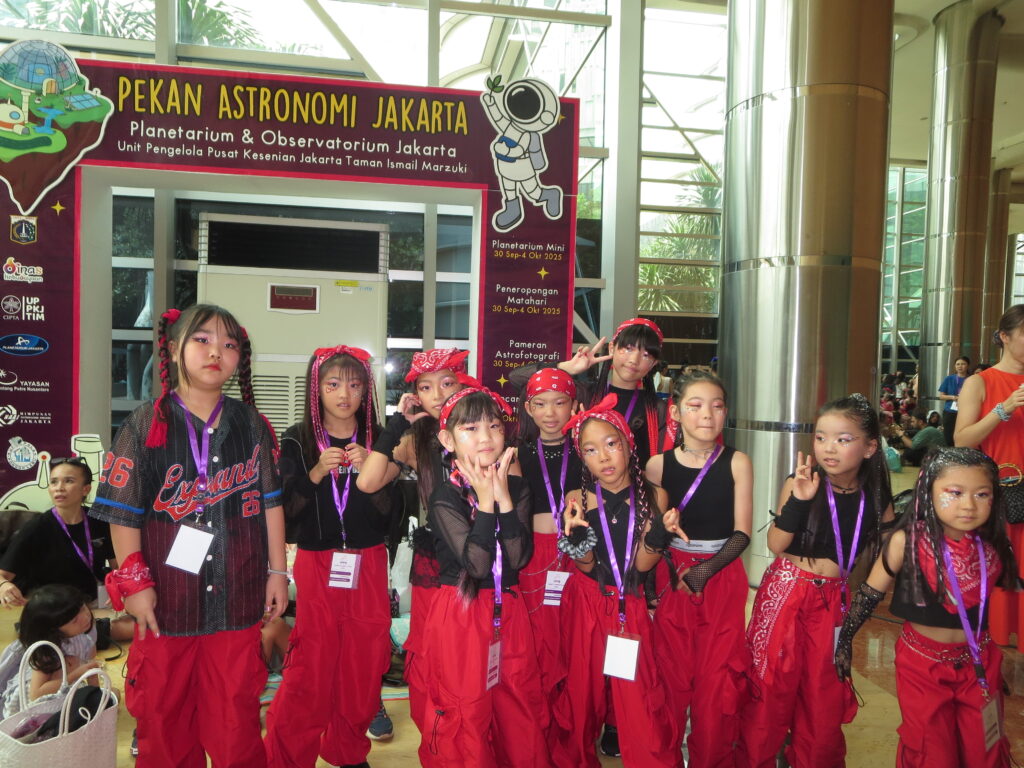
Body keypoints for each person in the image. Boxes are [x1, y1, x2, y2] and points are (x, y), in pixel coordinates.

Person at [89, 304, 286, 768]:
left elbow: (271, 503)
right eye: (203, 340)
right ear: (174, 348)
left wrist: (278, 572)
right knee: (164, 722)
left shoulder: (252, 425)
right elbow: (123, 512)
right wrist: (134, 583)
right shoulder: (144, 423)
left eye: (229, 344)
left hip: (238, 600)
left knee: (236, 725)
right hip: (167, 605)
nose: (216, 352)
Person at [739, 394, 893, 768]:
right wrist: (799, 500)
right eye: (821, 437)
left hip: (834, 601)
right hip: (787, 591)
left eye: (843, 439)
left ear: (870, 447)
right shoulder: (802, 482)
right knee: (770, 686)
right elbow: (775, 544)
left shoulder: (875, 496)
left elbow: (890, 553)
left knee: (824, 691)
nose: (828, 448)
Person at [834, 448, 1016, 767]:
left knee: (984, 751)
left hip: (979, 661)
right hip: (923, 666)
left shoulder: (992, 544)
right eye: (955, 492)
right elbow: (870, 593)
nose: (969, 504)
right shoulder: (906, 542)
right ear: (928, 491)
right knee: (932, 751)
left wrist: (991, 667)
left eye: (982, 494)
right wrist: (845, 639)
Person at [265, 346, 396, 768]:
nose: (344, 395)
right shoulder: (296, 439)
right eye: (333, 384)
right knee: (311, 665)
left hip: (368, 561)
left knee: (364, 662)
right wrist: (317, 473)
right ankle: (287, 758)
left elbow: (392, 516)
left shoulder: (380, 439)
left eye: (355, 385)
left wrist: (372, 472)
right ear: (316, 389)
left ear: (366, 390)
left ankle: (348, 750)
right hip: (318, 562)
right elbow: (286, 511)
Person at [420, 386, 550, 768]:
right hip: (462, 613)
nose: (486, 437)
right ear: (448, 440)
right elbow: (476, 566)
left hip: (509, 608)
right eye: (471, 428)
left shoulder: (519, 488)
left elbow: (519, 558)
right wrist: (488, 502)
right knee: (466, 710)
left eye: (494, 426)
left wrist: (503, 498)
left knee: (520, 706)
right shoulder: (445, 497)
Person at [552, 395, 682, 768]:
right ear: (582, 458)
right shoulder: (576, 498)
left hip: (631, 602)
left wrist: (659, 536)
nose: (604, 457)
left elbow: (641, 567)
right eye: (591, 450)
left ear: (628, 444)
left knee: (641, 698)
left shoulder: (654, 496)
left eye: (611, 444)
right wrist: (577, 538)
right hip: (587, 601)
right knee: (581, 694)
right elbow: (587, 567)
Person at [356, 347, 472, 752]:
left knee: (472, 661)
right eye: (426, 387)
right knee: (430, 657)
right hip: (435, 561)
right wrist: (396, 424)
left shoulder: (483, 427)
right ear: (415, 396)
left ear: (463, 383)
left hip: (481, 560)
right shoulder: (416, 440)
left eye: (447, 383)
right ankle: (440, 745)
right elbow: (368, 482)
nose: (437, 395)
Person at [643, 369, 752, 768]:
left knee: (717, 678)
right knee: (670, 675)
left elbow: (742, 533)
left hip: (721, 574)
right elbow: (650, 534)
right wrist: (652, 589)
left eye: (717, 406)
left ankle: (712, 758)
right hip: (670, 574)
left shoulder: (737, 462)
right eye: (695, 405)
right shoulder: (657, 466)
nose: (707, 414)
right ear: (675, 413)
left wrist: (705, 572)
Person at [514, 368, 581, 738]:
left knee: (572, 639)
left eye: (560, 403)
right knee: (537, 640)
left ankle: (569, 726)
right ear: (529, 408)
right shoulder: (518, 454)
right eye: (540, 404)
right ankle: (535, 727)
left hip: (577, 556)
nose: (551, 413)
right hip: (533, 559)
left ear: (573, 405)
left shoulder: (586, 451)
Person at [954, 304, 1024, 652]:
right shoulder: (980, 383)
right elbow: (962, 439)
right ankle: (993, 643)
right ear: (1004, 337)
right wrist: (1004, 408)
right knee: (999, 570)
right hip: (1001, 494)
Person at [0, 457, 114, 606]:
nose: (59, 488)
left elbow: (117, 566)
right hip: (52, 607)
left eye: (69, 481)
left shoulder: (99, 521)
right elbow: (3, 575)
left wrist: (120, 585)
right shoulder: (36, 527)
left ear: (85, 489)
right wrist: (4, 585)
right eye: (54, 482)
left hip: (96, 601)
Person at [0, 584, 102, 719]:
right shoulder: (47, 651)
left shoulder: (83, 635)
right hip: (34, 706)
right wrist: (78, 673)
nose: (86, 617)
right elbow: (36, 694)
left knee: (110, 695)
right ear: (53, 629)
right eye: (74, 620)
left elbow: (90, 667)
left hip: (64, 688)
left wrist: (96, 699)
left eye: (83, 608)